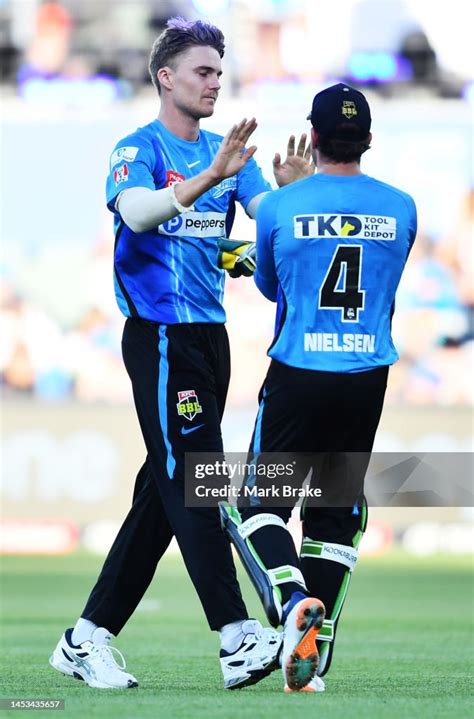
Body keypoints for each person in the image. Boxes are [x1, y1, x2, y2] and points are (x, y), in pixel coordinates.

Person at [49, 17, 313, 690]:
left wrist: (293, 192)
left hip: (210, 338)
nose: (215, 83)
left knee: (162, 495)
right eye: (203, 71)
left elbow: (273, 226)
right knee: (199, 477)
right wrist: (210, 178)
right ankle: (235, 636)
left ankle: (85, 639)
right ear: (166, 77)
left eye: (220, 73)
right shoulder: (138, 148)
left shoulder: (234, 155)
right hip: (161, 336)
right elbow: (137, 213)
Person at [221, 83, 417, 692]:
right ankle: (316, 648)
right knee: (335, 513)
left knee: (256, 506)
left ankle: (289, 600)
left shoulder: (282, 206)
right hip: (366, 379)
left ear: (315, 133)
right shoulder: (402, 206)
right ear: (367, 142)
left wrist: (294, 192)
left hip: (300, 376)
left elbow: (272, 289)